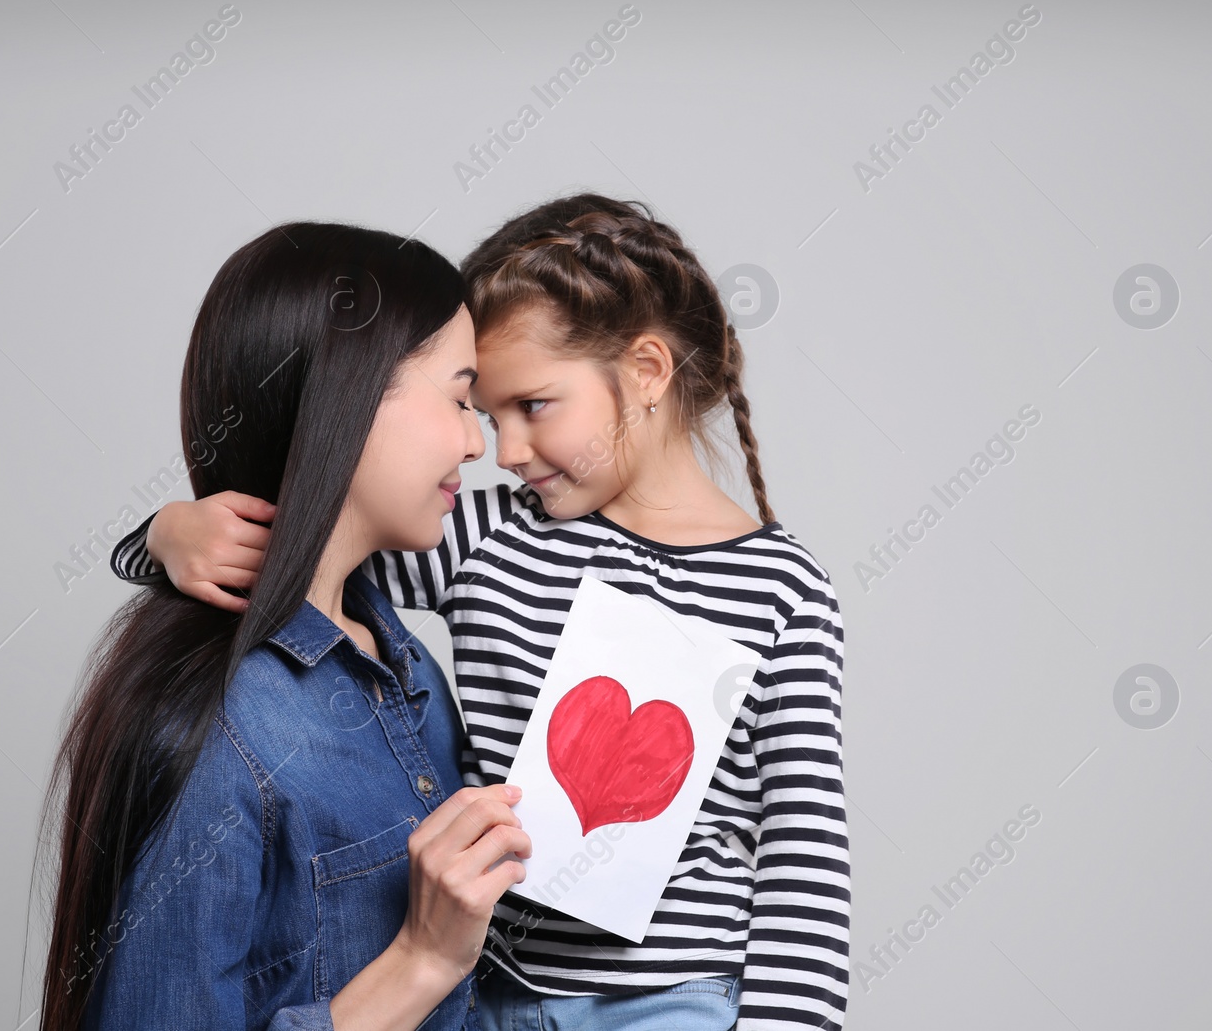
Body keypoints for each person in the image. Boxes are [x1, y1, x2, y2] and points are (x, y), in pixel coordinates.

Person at [111, 195, 849, 1030]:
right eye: (483, 411)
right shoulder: (484, 536)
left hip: (667, 1003)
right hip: (486, 993)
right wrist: (163, 534)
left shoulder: (784, 589)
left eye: (533, 406)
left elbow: (804, 857)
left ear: (646, 372)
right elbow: (313, 535)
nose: (503, 451)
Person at [36, 221, 531, 1031]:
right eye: (459, 396)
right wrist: (423, 961)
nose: (480, 442)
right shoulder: (225, 727)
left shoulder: (409, 672)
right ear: (351, 392)